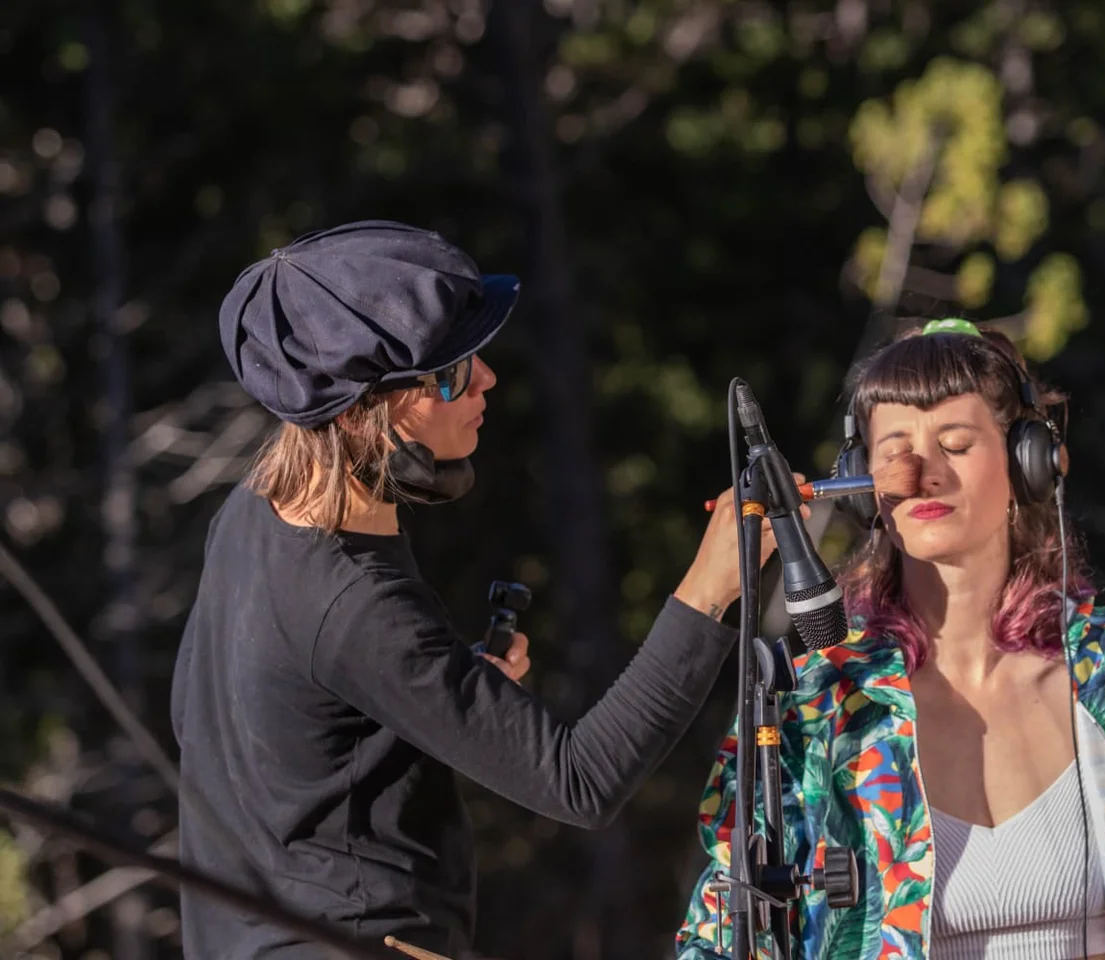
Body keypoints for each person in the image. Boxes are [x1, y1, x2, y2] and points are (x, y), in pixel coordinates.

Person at [171, 221, 757, 959]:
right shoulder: (355, 600)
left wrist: (427, 698)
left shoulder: (254, 514)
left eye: (475, 355)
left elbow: (274, 731)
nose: (485, 380)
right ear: (360, 414)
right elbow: (580, 782)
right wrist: (710, 588)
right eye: (449, 374)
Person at [676, 319, 1105, 959]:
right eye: (893, 448)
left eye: (954, 444)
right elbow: (719, 937)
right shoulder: (813, 704)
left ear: (1025, 463)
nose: (920, 471)